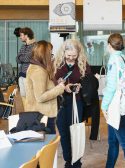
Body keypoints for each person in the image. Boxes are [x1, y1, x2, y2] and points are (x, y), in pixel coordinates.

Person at [54, 39, 92, 168]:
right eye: (68, 55)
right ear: (63, 52)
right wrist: (62, 86)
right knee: (64, 133)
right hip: (60, 102)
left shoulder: (83, 64)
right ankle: (68, 161)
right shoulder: (56, 63)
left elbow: (89, 81)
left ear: (78, 54)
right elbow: (51, 82)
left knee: (75, 132)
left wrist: (80, 85)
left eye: (74, 56)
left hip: (77, 102)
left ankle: (76, 162)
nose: (71, 58)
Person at [102, 33, 125, 168]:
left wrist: (104, 105)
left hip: (116, 107)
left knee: (124, 143)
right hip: (124, 104)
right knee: (113, 140)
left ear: (109, 45)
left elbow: (111, 86)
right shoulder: (124, 58)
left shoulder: (113, 60)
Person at [25, 41, 65, 134]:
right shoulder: (39, 71)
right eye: (50, 54)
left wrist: (56, 84)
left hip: (40, 114)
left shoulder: (36, 67)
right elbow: (40, 97)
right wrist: (59, 89)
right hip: (43, 115)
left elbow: (42, 88)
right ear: (45, 55)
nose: (52, 56)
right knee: (47, 146)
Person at [17, 27, 36, 101]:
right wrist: (22, 58)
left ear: (26, 35)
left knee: (30, 97)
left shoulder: (35, 45)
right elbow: (17, 59)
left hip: (29, 74)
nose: (20, 37)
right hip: (21, 74)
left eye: (21, 35)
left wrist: (22, 58)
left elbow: (27, 58)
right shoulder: (23, 46)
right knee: (23, 97)